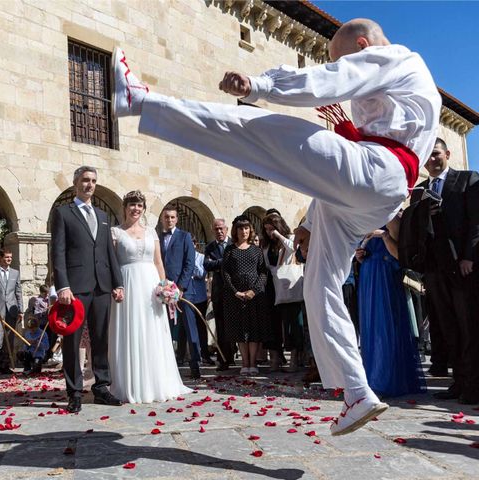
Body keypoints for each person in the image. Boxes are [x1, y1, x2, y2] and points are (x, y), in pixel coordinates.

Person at [111, 18, 440, 434]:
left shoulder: (396, 57)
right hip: (375, 191)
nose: (340, 64)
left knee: (260, 130)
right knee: (321, 284)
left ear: (361, 46)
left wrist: (261, 86)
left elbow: (336, 78)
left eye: (340, 56)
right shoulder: (410, 91)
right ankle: (358, 393)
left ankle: (142, 100)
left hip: (379, 172)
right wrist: (315, 212)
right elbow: (378, 140)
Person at [410, 138, 479, 404]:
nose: (431, 160)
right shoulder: (420, 191)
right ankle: (459, 382)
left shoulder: (467, 180)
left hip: (462, 269)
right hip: (434, 271)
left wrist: (469, 257)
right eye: (427, 157)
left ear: (448, 154)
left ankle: (474, 386)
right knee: (448, 329)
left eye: (436, 154)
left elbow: (475, 223)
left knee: (468, 327)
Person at [51, 166, 124, 414]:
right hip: (75, 288)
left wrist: (117, 283)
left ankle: (102, 388)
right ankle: (74, 392)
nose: (89, 185)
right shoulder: (63, 213)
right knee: (72, 342)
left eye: (93, 181)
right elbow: (58, 252)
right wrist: (62, 285)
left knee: (101, 338)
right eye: (85, 180)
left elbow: (108, 252)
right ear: (75, 184)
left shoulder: (103, 215)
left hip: (102, 286)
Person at [109, 190, 191, 403]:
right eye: (132, 205)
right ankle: (131, 383)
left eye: (139, 205)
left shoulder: (151, 233)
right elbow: (113, 264)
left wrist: (165, 287)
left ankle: (157, 382)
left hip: (150, 285)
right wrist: (116, 286)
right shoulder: (115, 232)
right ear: (125, 207)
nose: (136, 209)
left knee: (153, 330)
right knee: (131, 329)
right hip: (127, 283)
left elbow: (158, 262)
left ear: (144, 209)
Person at [355, 218, 426, 397]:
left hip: (386, 278)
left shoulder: (392, 218)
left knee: (385, 327)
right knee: (371, 328)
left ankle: (386, 380)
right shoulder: (366, 216)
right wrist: (360, 257)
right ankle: (372, 378)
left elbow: (399, 255)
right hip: (369, 275)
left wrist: (383, 235)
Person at [159, 204, 201, 379]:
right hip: (162, 290)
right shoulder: (157, 238)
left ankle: (195, 364)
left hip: (184, 291)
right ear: (162, 219)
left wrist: (180, 288)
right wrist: (163, 286)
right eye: (166, 217)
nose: (169, 220)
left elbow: (189, 263)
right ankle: (167, 366)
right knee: (164, 329)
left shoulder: (185, 237)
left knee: (190, 328)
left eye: (172, 217)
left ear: (177, 219)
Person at [222, 216, 267, 375]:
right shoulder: (230, 250)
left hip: (254, 296)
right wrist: (235, 291)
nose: (244, 231)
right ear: (236, 231)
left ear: (250, 230)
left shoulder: (256, 250)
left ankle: (253, 363)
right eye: (241, 228)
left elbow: (263, 272)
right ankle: (245, 363)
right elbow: (225, 273)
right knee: (240, 331)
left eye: (246, 228)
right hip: (236, 296)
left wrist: (253, 290)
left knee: (253, 331)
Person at [262, 213, 305, 372]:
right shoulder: (267, 246)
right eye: (266, 229)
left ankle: (294, 359)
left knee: (295, 323)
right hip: (275, 287)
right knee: (278, 324)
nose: (269, 232)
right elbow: (267, 264)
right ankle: (276, 359)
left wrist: (279, 235)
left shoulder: (289, 238)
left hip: (291, 286)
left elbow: (294, 249)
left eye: (271, 228)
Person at [204, 219, 233, 371]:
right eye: (216, 229)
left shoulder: (234, 244)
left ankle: (235, 355)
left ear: (227, 229)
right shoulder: (210, 247)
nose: (219, 231)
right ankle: (224, 358)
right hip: (218, 290)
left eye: (221, 228)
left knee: (234, 324)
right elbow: (207, 265)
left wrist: (218, 263)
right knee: (220, 325)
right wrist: (225, 261)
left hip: (234, 289)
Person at [191, 237, 213, 366]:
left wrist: (190, 263)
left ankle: (205, 354)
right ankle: (187, 355)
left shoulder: (200, 257)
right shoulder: (181, 256)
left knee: (201, 326)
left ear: (194, 244)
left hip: (199, 296)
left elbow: (201, 273)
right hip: (187, 296)